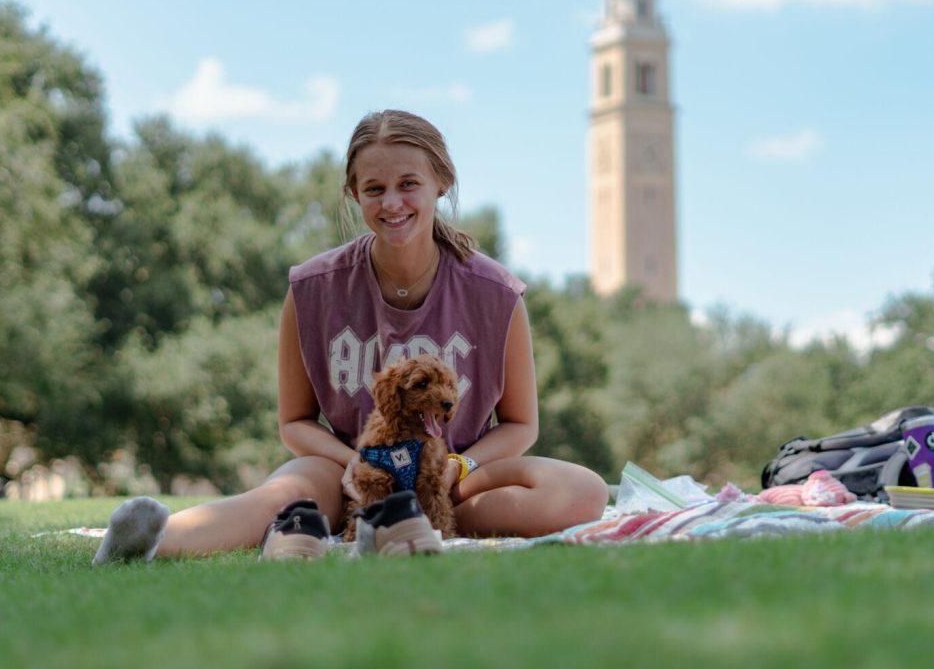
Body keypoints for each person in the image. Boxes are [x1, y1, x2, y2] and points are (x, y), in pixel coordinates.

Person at [94, 109, 609, 563]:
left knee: (582, 491)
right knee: (288, 491)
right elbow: (295, 422)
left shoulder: (497, 294)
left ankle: (403, 524)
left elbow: (521, 425)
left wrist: (454, 466)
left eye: (409, 184)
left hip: (453, 478)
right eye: (374, 189)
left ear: (440, 183)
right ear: (354, 193)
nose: (392, 203)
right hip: (345, 475)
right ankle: (154, 539)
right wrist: (358, 465)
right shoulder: (312, 288)